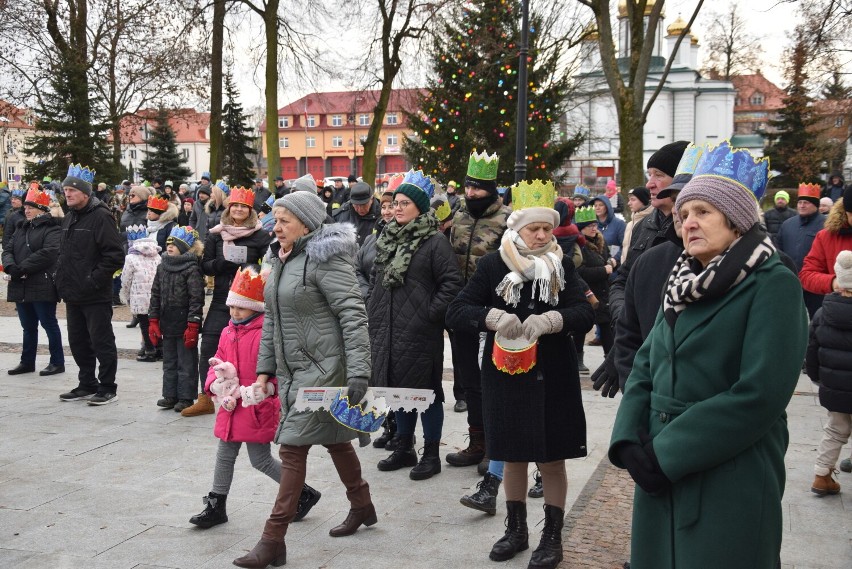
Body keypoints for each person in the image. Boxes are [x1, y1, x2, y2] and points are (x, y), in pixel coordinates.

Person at [609, 142, 808, 568]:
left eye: (702, 212)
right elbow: (647, 360)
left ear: (736, 221)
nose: (688, 223)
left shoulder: (772, 283)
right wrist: (628, 439)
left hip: (730, 471)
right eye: (683, 214)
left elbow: (760, 394)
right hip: (660, 473)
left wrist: (667, 454)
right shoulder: (684, 279)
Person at [447, 179, 594, 569]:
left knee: (551, 461)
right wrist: (490, 316)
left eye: (547, 228)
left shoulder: (561, 265)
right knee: (511, 456)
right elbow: (457, 310)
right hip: (506, 373)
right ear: (517, 229)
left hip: (554, 376)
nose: (543, 234)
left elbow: (585, 313)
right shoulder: (494, 264)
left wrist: (553, 319)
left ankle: (551, 536)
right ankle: (516, 530)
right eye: (535, 228)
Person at [234, 191, 374, 568]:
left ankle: (273, 539)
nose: (274, 227)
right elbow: (273, 321)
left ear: (307, 223)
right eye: (274, 220)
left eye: (283, 221)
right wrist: (265, 368)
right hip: (294, 371)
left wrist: (360, 370)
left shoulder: (325, 258)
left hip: (328, 369)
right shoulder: (281, 260)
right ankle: (362, 505)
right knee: (335, 440)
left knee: (292, 448)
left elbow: (353, 315)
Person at [190, 267, 322, 529]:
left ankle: (303, 492)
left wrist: (268, 388)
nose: (235, 313)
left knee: (259, 459)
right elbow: (216, 360)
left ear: (256, 308)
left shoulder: (266, 333)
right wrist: (213, 384)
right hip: (231, 404)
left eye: (241, 308)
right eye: (232, 307)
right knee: (225, 453)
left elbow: (279, 369)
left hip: (255, 405)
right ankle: (216, 504)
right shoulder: (228, 331)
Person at [368, 170, 463, 480]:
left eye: (404, 203)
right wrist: (373, 310)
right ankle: (404, 446)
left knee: (426, 392)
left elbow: (452, 283)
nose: (396, 208)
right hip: (387, 328)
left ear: (420, 207)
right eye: (395, 203)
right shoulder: (386, 237)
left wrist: (429, 313)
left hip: (420, 331)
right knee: (398, 390)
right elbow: (375, 279)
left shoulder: (434, 242)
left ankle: (431, 453)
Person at [447, 150, 510, 471]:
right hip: (463, 312)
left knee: (493, 381)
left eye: (477, 188)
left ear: (492, 189)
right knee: (469, 379)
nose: (470, 192)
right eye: (468, 186)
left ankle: (495, 447)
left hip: (496, 313)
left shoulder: (507, 220)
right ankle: (477, 442)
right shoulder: (458, 217)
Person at [193, 187, 271, 418]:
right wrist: (222, 264)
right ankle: (205, 396)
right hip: (221, 299)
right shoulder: (216, 233)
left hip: (248, 301)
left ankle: (247, 394)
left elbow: (267, 266)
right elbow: (204, 264)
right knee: (208, 344)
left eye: (243, 207)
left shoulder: (260, 235)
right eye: (235, 205)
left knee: (249, 350)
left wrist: (247, 267)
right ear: (229, 208)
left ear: (250, 210)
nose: (238, 209)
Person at [55, 164, 125, 405]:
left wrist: (92, 280)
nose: (68, 194)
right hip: (73, 294)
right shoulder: (69, 217)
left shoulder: (101, 216)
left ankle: (107, 387)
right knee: (78, 342)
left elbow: (114, 256)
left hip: (94, 294)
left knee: (101, 341)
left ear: (85, 193)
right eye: (65, 190)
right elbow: (64, 254)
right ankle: (86, 384)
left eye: (72, 190)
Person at [1, 184, 65, 376]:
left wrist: (22, 268)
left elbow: (49, 253)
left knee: (48, 323)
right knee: (28, 326)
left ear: (42, 209)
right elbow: (8, 248)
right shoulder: (21, 227)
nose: (26, 210)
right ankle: (27, 361)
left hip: (42, 282)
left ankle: (57, 362)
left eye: (30, 207)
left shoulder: (52, 227)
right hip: (20, 282)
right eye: (25, 207)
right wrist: (11, 267)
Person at [806, 250, 852, 496]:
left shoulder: (824, 313)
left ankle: (822, 475)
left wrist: (817, 377)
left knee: (835, 430)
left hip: (835, 388)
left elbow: (811, 351)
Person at [148, 226, 205, 412]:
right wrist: (153, 319)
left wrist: (194, 324)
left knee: (186, 362)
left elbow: (196, 298)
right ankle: (170, 394)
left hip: (184, 322)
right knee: (169, 361)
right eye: (168, 244)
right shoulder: (162, 266)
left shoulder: (191, 268)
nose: (170, 247)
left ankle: (186, 396)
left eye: (175, 244)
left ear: (185, 247)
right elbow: (155, 293)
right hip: (167, 320)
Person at [800, 187, 852, 319]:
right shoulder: (826, 237)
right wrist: (835, 282)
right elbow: (806, 276)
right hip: (839, 316)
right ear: (846, 212)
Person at [775, 183, 826, 317]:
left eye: (806, 202)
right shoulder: (787, 224)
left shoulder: (826, 225)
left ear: (816, 205)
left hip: (816, 287)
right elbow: (778, 249)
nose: (802, 205)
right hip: (790, 282)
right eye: (800, 202)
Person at [574, 206, 616, 356]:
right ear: (581, 229)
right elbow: (579, 272)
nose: (593, 228)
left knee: (605, 327)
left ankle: (610, 359)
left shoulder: (600, 241)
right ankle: (578, 357)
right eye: (589, 226)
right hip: (586, 293)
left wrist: (611, 261)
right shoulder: (579, 246)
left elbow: (606, 258)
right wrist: (603, 270)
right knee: (581, 327)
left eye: (595, 225)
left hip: (603, 292)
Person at [120, 225, 162, 363]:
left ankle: (149, 350)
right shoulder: (157, 255)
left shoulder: (131, 257)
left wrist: (125, 295)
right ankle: (160, 348)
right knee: (156, 321)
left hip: (139, 297)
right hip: (157, 295)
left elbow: (126, 278)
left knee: (144, 323)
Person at [332, 181, 380, 246]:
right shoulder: (342, 215)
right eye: (356, 205)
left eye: (364, 205)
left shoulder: (383, 216)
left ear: (371, 199)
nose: (360, 209)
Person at [588, 195, 625, 263]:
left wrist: (615, 259)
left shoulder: (619, 224)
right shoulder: (591, 225)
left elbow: (625, 246)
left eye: (601, 205)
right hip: (597, 266)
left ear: (607, 207)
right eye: (595, 206)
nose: (597, 208)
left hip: (615, 265)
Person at [620, 187, 652, 264]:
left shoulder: (651, 222)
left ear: (643, 201)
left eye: (633, 200)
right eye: (629, 200)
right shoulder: (629, 224)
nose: (629, 203)